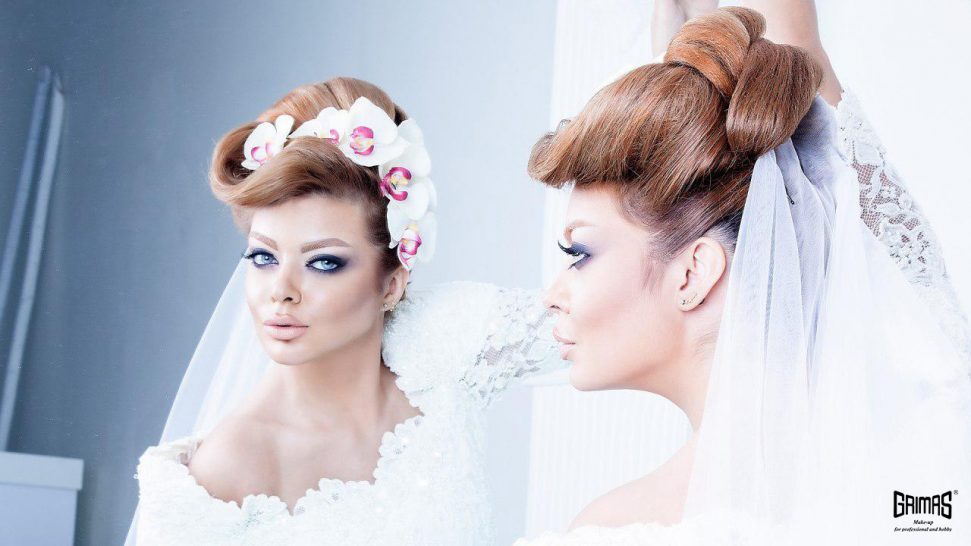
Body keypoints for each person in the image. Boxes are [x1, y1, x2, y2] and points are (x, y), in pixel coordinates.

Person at [514, 2, 971, 545]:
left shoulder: (614, 528)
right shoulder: (921, 465)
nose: (550, 296)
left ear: (693, 274)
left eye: (579, 254)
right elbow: (917, 283)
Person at [127, 77, 566, 545]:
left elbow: (598, 313)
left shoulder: (443, 350)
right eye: (263, 257)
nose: (281, 291)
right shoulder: (223, 472)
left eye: (323, 263)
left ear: (391, 284)